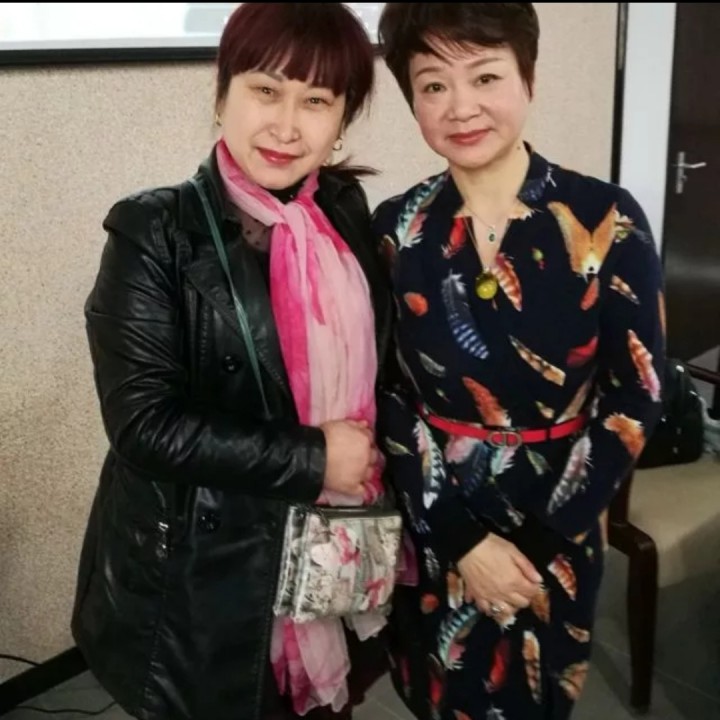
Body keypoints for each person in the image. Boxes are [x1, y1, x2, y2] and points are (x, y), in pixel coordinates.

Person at [70, 4, 393, 720]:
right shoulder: (154, 230)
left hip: (333, 549)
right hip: (206, 585)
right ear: (222, 96)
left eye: (316, 101)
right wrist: (316, 457)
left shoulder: (342, 211)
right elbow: (144, 425)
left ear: (341, 122)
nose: (287, 125)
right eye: (266, 91)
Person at [372, 4, 666, 719]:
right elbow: (381, 391)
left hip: (558, 524)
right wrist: (462, 538)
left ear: (528, 79)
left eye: (485, 76)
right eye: (433, 85)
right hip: (437, 521)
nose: (460, 106)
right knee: (435, 696)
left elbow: (637, 393)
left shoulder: (606, 218)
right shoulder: (395, 230)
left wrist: (535, 544)